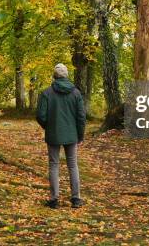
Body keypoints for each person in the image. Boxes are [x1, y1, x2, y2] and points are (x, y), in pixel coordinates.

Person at [36, 63, 86, 209]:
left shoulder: (46, 93)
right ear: (66, 75)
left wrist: (48, 126)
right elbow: (81, 117)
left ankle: (54, 199)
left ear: (54, 76)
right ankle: (76, 198)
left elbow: (40, 115)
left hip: (54, 134)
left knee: (54, 165)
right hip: (72, 135)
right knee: (72, 165)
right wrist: (80, 135)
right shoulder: (76, 93)